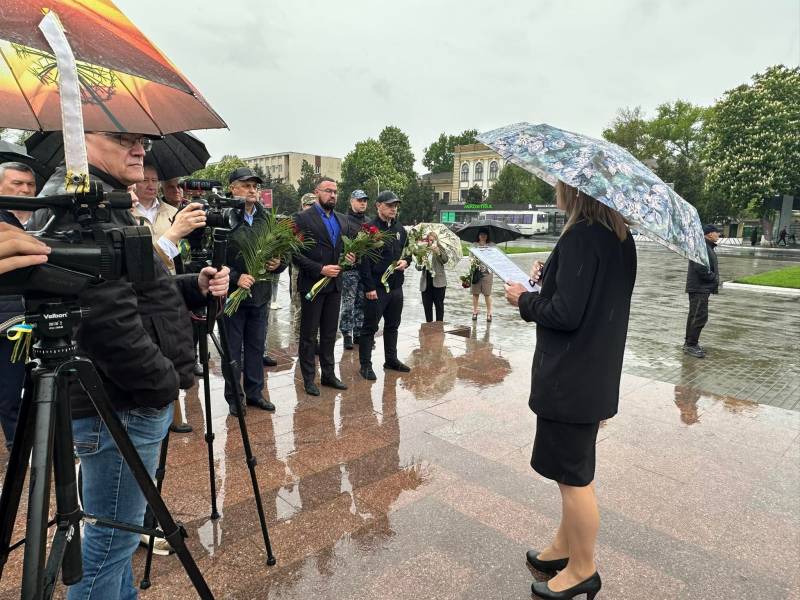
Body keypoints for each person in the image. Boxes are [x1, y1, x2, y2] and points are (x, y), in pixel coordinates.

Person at [28, 131, 229, 600]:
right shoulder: (79, 205)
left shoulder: (106, 202)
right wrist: (161, 384)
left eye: (141, 139)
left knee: (116, 536)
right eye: (123, 138)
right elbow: (106, 319)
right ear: (79, 138)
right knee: (109, 543)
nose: (140, 149)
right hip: (122, 402)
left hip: (123, 398)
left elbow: (142, 292)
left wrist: (191, 284)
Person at [504, 181, 636, 600]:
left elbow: (564, 313)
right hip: (594, 372)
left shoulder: (581, 236)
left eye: (561, 187)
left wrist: (525, 299)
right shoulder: (619, 236)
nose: (557, 192)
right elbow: (591, 299)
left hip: (571, 377)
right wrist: (551, 278)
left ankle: (583, 569)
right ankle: (565, 548)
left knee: (574, 480)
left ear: (575, 193)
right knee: (571, 470)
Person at [223, 167, 285, 415]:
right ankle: (234, 398)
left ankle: (255, 393)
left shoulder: (266, 219)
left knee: (256, 347)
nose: (252, 190)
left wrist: (279, 264)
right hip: (232, 298)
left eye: (255, 186)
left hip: (260, 296)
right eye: (246, 185)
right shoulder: (224, 217)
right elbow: (210, 258)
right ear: (232, 188)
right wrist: (236, 278)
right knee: (233, 350)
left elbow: (283, 252)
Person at [293, 178, 355, 396]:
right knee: (309, 335)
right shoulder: (302, 218)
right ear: (316, 192)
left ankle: (328, 374)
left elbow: (345, 248)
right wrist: (320, 269)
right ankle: (309, 378)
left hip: (335, 285)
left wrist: (350, 257)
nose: (333, 195)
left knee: (329, 333)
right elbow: (294, 254)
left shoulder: (342, 220)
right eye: (328, 191)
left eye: (336, 191)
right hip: (313, 285)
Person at [0, 162, 37, 450]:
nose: (25, 189)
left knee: (26, 376)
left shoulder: (36, 221)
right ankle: (17, 441)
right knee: (10, 385)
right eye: (17, 184)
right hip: (7, 323)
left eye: (29, 184)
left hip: (25, 320)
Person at [358, 190, 412, 380]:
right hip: (377, 288)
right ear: (378, 206)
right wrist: (369, 288)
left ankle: (391, 360)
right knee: (370, 328)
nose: (393, 209)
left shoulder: (400, 229)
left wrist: (406, 261)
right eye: (389, 205)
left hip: (396, 287)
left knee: (393, 325)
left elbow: (408, 252)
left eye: (395, 206)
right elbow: (362, 261)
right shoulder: (369, 229)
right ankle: (365, 365)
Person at [684, 224, 720, 358]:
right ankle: (691, 345)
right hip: (699, 287)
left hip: (701, 287)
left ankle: (690, 343)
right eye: (717, 232)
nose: (718, 235)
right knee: (699, 316)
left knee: (695, 315)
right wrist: (713, 278)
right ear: (709, 234)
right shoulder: (701, 246)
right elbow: (701, 268)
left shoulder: (706, 246)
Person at [340, 189, 369, 348]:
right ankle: (346, 334)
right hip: (349, 270)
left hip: (364, 270)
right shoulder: (344, 221)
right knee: (348, 303)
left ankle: (358, 332)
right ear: (351, 201)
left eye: (365, 200)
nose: (363, 203)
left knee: (361, 302)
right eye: (359, 200)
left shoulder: (369, 222)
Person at [289, 193, 318, 339]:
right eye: (309, 205)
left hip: (317, 270)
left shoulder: (320, 222)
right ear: (303, 206)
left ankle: (315, 339)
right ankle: (299, 339)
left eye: (315, 205)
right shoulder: (297, 222)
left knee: (316, 306)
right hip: (299, 270)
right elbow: (292, 250)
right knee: (300, 306)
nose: (312, 209)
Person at [418, 231, 449, 322]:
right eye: (429, 240)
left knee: (439, 306)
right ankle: (429, 326)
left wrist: (438, 253)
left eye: (432, 240)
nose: (430, 242)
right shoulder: (423, 250)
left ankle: (439, 326)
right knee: (427, 306)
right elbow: (418, 267)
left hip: (438, 282)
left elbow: (445, 260)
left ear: (436, 240)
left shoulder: (440, 248)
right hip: (426, 281)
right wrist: (421, 262)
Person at [470, 229, 494, 321]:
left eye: (485, 234)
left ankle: (489, 313)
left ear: (487, 236)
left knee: (487, 294)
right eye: (481, 234)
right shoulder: (474, 245)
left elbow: (495, 258)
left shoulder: (491, 246)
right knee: (475, 294)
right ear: (478, 236)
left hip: (487, 273)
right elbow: (470, 258)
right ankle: (475, 312)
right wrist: (474, 262)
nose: (483, 236)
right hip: (476, 273)